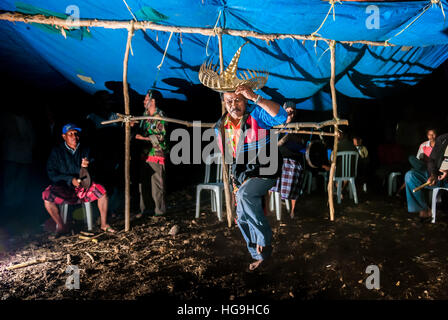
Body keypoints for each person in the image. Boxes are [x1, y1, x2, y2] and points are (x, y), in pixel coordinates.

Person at [42, 124, 115, 234]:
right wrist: (70, 180)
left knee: (102, 192)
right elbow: (51, 173)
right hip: (65, 188)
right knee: (47, 196)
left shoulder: (86, 149)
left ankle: (104, 224)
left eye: (76, 134)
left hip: (84, 188)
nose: (74, 137)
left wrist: (87, 167)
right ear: (64, 136)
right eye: (70, 134)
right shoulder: (57, 152)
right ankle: (61, 226)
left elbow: (97, 168)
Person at [134, 89, 168, 216]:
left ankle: (159, 211)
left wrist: (142, 138)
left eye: (146, 99)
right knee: (144, 185)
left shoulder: (159, 116)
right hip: (145, 154)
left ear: (153, 101)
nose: (144, 101)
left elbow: (160, 137)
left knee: (157, 186)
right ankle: (146, 210)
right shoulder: (145, 115)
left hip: (156, 154)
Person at [269, 101, 304, 218]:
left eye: (292, 112)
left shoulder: (299, 126)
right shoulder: (276, 124)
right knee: (269, 175)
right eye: (288, 112)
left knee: (294, 173)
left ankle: (293, 210)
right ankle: (268, 208)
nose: (291, 114)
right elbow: (274, 144)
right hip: (278, 158)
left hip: (293, 160)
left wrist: (292, 135)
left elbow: (302, 144)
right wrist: (285, 136)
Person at [405, 132, 448, 221]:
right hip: (437, 176)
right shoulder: (442, 139)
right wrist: (433, 174)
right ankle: (424, 210)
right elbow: (432, 160)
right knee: (411, 175)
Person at [396, 128, 437, 197]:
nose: (431, 136)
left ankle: (400, 191)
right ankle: (400, 191)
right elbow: (418, 159)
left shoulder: (440, 146)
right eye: (429, 134)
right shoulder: (423, 145)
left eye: (433, 134)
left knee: (413, 171)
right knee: (411, 158)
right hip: (423, 166)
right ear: (427, 135)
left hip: (433, 169)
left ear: (437, 135)